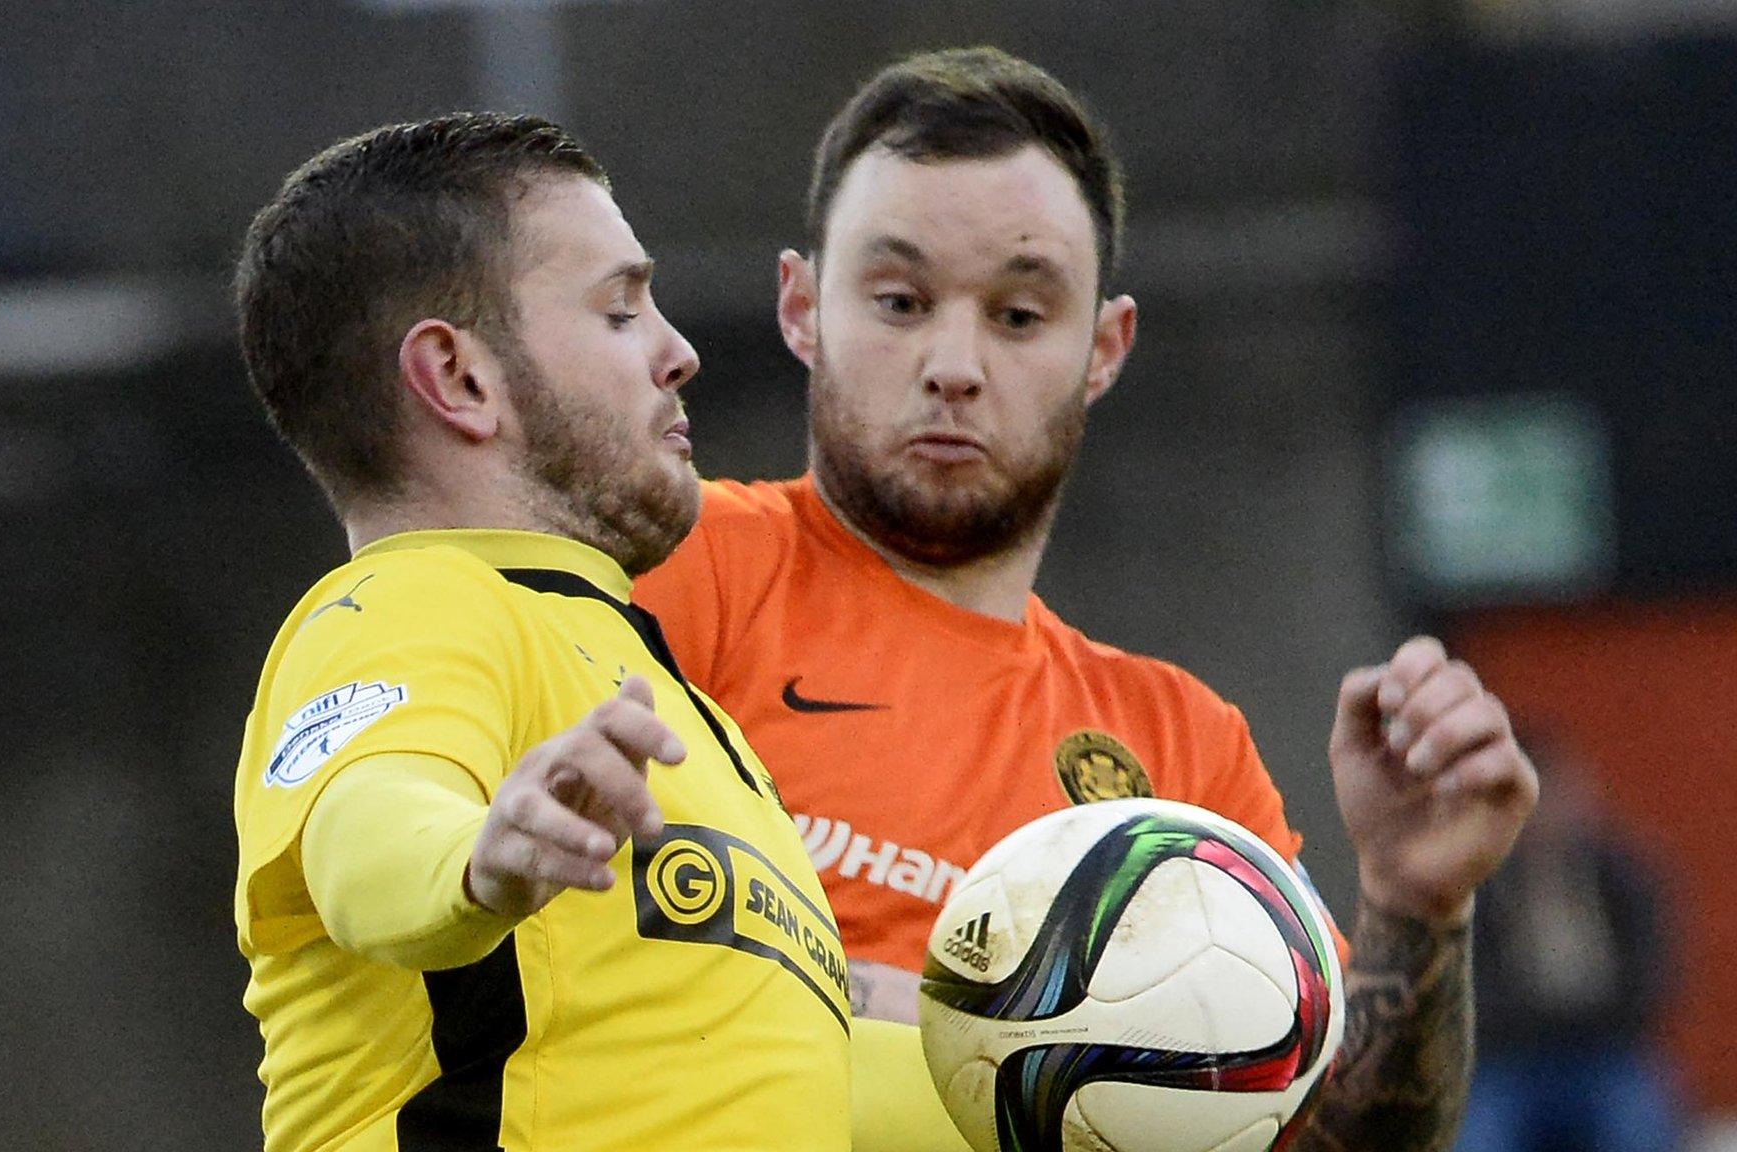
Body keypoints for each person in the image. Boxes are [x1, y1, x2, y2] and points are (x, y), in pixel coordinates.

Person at [634, 47, 1540, 1150]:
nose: (953, 364)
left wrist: (1414, 902)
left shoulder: (1181, 753)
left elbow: (1338, 1142)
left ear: (1102, 348)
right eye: (898, 300)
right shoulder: (672, 565)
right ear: (800, 307)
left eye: (1018, 314)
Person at [229, 113, 911, 1151]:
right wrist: (473, 859)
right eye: (618, 310)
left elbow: (785, 1072)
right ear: (459, 378)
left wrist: (1076, 1071)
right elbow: (363, 823)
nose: (677, 353)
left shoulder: (652, 703)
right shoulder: (412, 604)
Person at [1456, 732, 1684, 1152]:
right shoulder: (1481, 889)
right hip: (1509, 1063)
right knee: (1479, 1135)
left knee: (1636, 1126)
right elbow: (1471, 995)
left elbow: (1653, 981)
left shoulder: (1621, 877)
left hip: (1605, 1058)